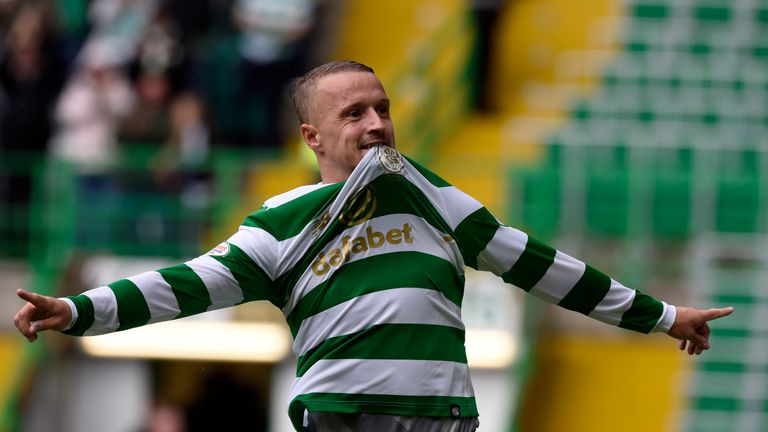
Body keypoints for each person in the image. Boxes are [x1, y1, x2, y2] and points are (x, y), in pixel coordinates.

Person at [14, 60, 734, 432]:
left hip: (443, 418)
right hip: (341, 418)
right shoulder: (281, 220)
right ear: (313, 138)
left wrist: (663, 316)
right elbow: (183, 284)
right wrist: (76, 311)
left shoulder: (435, 195)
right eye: (354, 112)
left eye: (383, 109)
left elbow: (542, 265)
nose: (376, 123)